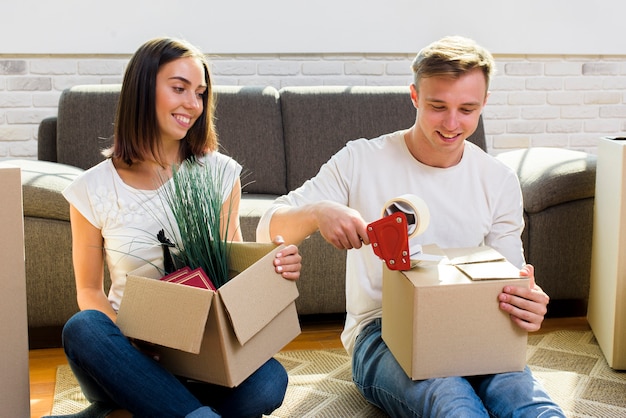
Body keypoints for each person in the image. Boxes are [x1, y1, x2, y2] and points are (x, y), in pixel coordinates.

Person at [256, 36, 565, 417]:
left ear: (484, 103)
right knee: (450, 400)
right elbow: (268, 228)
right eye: (438, 106)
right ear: (414, 96)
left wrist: (526, 303)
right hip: (382, 332)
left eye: (467, 109)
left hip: (473, 325)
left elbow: (507, 277)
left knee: (528, 401)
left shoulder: (497, 179)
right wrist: (320, 211)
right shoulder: (361, 160)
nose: (453, 124)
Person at [55, 37, 302, 418]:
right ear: (142, 89)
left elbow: (231, 270)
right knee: (83, 327)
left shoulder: (219, 173)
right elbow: (89, 290)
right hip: (126, 354)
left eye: (200, 93)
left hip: (204, 357)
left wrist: (274, 268)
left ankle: (132, 411)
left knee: (270, 380)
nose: (193, 103)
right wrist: (127, 339)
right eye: (179, 88)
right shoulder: (93, 189)